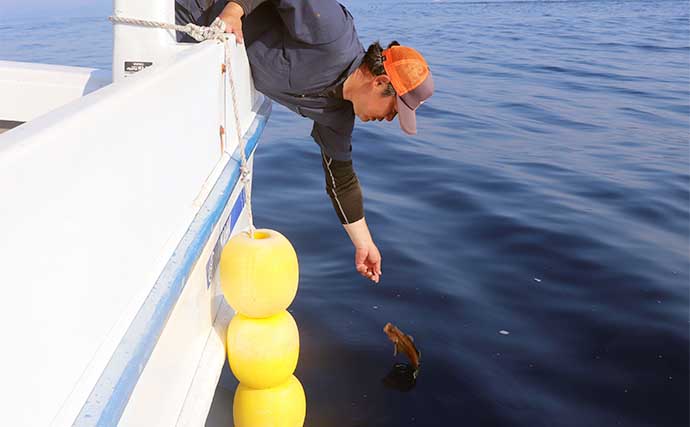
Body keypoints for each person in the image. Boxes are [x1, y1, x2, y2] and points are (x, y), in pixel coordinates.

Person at [175, 0, 434, 284]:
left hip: (196, 45)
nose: (387, 120)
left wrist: (364, 244)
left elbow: (342, 180)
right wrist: (234, 10)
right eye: (393, 111)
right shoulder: (332, 32)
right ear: (380, 82)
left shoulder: (338, 116)